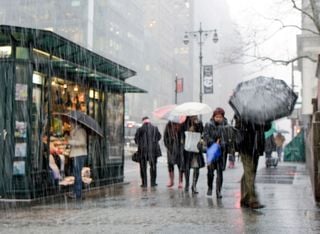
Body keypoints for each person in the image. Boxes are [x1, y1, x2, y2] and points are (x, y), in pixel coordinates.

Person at [234, 115, 271, 209]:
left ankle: (245, 198)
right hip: (245, 146)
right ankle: (252, 199)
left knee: (251, 172)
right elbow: (238, 126)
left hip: (257, 146)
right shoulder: (242, 112)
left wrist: (266, 121)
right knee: (249, 172)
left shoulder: (262, 113)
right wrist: (252, 123)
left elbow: (267, 127)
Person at [203, 107, 229, 198]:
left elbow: (227, 138)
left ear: (223, 117)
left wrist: (221, 143)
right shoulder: (208, 124)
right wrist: (213, 143)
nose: (218, 118)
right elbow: (205, 135)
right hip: (211, 151)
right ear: (213, 116)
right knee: (210, 171)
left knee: (219, 172)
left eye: (220, 117)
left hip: (221, 152)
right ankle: (210, 187)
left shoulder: (226, 126)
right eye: (216, 116)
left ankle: (218, 191)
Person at [134, 116, 162, 187]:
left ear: (143, 121)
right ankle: (153, 182)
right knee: (153, 166)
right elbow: (159, 137)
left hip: (143, 151)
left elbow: (136, 140)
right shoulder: (155, 128)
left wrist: (141, 143)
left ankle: (144, 183)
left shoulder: (140, 129)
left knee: (143, 167)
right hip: (153, 151)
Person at [182, 116, 204, 193]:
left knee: (196, 167)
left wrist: (196, 126)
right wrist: (188, 130)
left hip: (196, 148)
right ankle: (187, 184)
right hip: (187, 149)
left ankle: (194, 186)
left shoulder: (199, 122)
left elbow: (202, 132)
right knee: (187, 168)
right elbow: (182, 134)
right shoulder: (184, 122)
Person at [68, 120, 87, 200]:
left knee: (77, 175)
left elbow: (82, 142)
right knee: (76, 175)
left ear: (74, 123)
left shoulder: (80, 131)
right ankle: (75, 192)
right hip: (76, 155)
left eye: (71, 123)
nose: (70, 125)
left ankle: (78, 194)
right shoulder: (75, 131)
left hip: (79, 155)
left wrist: (71, 141)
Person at [163, 121, 184, 188]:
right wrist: (168, 146)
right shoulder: (168, 125)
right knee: (170, 164)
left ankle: (180, 181)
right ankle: (171, 181)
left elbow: (184, 136)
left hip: (179, 148)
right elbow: (165, 137)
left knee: (180, 165)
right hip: (171, 149)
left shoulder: (181, 124)